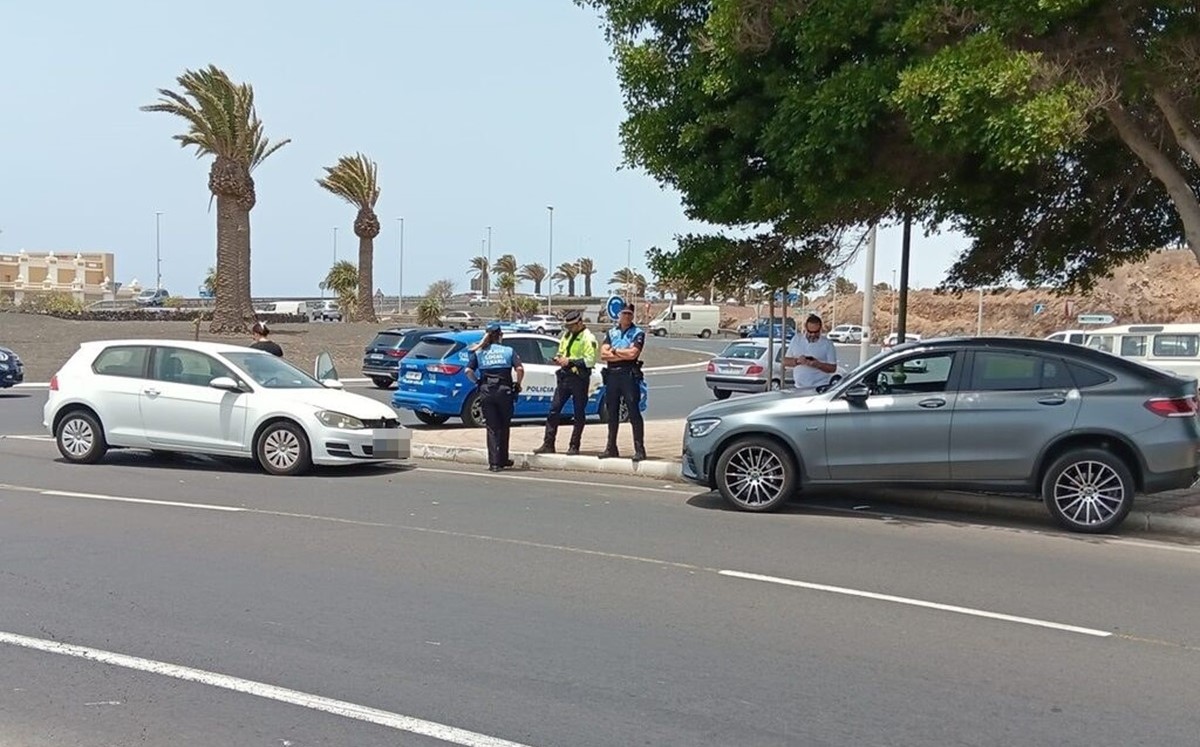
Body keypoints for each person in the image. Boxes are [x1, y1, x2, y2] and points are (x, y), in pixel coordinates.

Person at [534, 309, 598, 456]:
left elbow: (590, 360)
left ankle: (574, 445)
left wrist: (569, 361)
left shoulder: (588, 338)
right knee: (554, 410)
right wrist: (558, 358)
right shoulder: (567, 335)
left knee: (578, 413)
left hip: (579, 379)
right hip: (564, 377)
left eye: (571, 325)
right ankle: (548, 443)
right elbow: (561, 351)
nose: (568, 328)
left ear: (580, 323)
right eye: (567, 326)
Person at [465, 322, 525, 472]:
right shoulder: (508, 351)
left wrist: (478, 382)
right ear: (500, 336)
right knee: (504, 426)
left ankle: (494, 463)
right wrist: (518, 383)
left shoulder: (479, 353)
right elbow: (519, 369)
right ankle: (503, 459)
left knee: (491, 428)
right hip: (504, 392)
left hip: (486, 392)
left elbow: (468, 371)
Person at [599, 304, 646, 461]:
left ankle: (639, 449)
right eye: (624, 313)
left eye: (629, 314)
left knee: (633, 412)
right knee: (612, 412)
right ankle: (611, 447)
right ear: (619, 315)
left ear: (632, 316)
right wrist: (620, 354)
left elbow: (633, 354)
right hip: (612, 375)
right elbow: (603, 354)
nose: (626, 316)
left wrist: (614, 351)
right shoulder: (611, 332)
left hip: (628, 374)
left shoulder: (638, 333)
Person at [783, 313, 838, 393]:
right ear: (805, 328)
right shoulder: (796, 339)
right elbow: (785, 361)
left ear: (820, 329)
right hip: (799, 388)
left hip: (820, 388)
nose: (813, 334)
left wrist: (818, 364)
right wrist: (798, 361)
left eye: (816, 332)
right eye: (810, 331)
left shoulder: (827, 344)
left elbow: (833, 368)